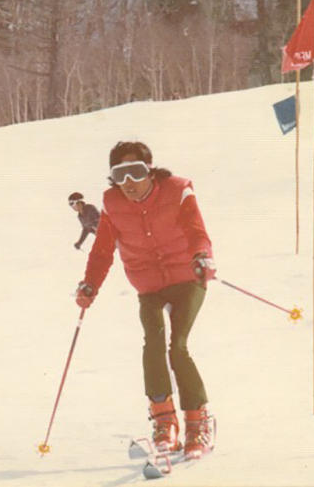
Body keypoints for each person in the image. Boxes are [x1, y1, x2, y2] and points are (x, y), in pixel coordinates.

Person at [74, 141, 217, 459]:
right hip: (149, 285)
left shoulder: (177, 190)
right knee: (152, 343)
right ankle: (164, 422)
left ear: (150, 171)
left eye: (136, 173)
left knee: (177, 346)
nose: (129, 183)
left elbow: (197, 231)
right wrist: (89, 287)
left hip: (186, 276)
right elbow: (102, 251)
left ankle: (198, 422)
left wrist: (201, 257)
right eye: (120, 175)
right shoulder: (112, 204)